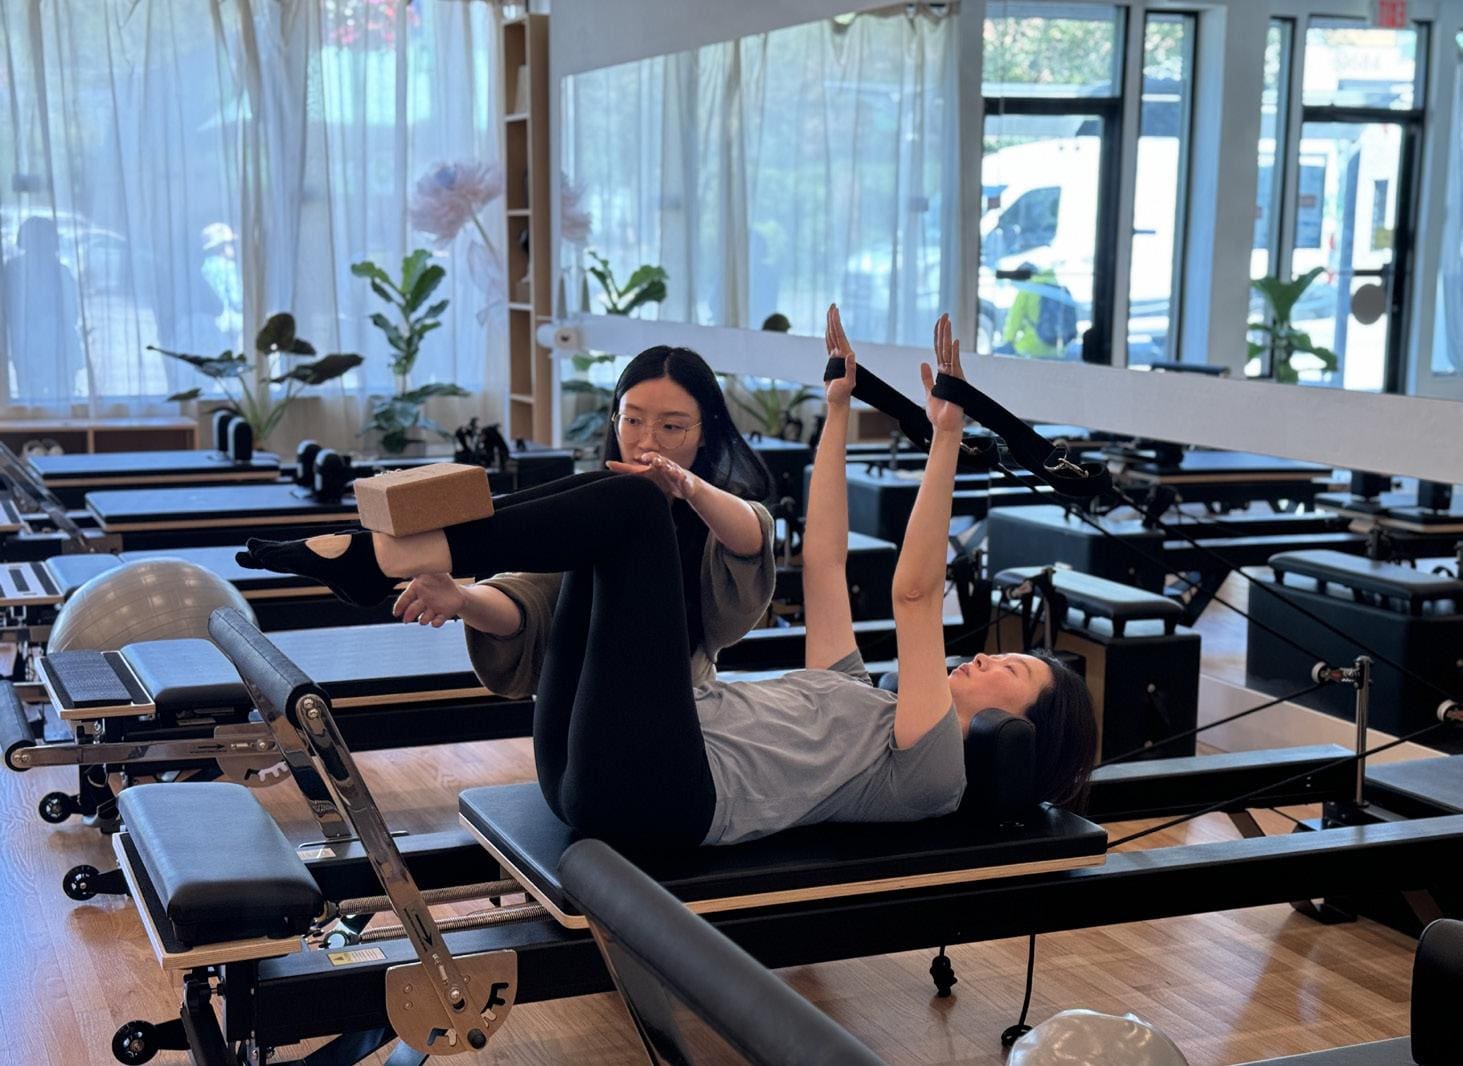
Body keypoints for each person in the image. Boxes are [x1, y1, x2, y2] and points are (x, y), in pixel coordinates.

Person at [240, 308, 1095, 846]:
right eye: (1006, 656)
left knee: (639, 505)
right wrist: (838, 408)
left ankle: (392, 553)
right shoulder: (856, 695)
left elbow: (913, 596)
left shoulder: (931, 771)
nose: (990, 658)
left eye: (1014, 671)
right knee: (624, 505)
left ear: (1021, 731)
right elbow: (824, 563)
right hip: (583, 765)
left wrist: (945, 436)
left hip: (661, 796)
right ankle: (399, 554)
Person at [389, 345, 778, 698]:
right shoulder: (592, 508)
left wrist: (688, 487)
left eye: (671, 427)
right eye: (632, 420)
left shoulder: (715, 514)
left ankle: (436, 546)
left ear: (705, 433)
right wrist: (463, 600)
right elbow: (528, 595)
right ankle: (435, 547)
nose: (647, 442)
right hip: (577, 710)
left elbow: (752, 538)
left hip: (683, 710)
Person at [2, 216, 85, 401]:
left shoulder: (60, 273)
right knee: (38, 398)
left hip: (49, 345)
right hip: (31, 346)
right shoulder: (14, 271)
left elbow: (72, 314)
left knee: (52, 398)